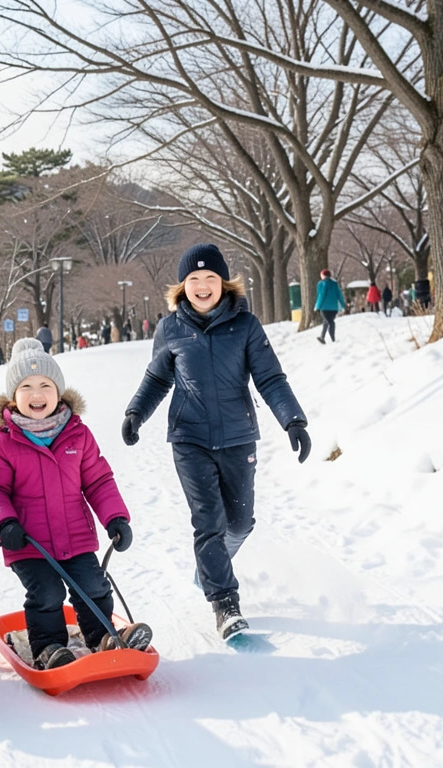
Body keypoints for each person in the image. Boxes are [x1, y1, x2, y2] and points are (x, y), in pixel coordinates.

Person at [121, 244, 309, 641]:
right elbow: (158, 378)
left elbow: (270, 378)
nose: (202, 286)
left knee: (240, 522)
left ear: (224, 283)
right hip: (189, 438)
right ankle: (225, 604)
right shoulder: (170, 329)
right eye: (194, 280)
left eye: (210, 279)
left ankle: (208, 567)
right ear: (182, 286)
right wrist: (136, 412)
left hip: (238, 437)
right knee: (208, 522)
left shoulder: (246, 326)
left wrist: (292, 420)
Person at [0, 339, 153, 670]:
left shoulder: (77, 434)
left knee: (94, 585)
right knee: (46, 593)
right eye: (26, 387)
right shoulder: (2, 442)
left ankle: (103, 637)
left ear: (59, 391)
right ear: (14, 397)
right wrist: (5, 523)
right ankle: (49, 647)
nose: (37, 394)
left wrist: (115, 518)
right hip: (28, 543)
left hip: (76, 538)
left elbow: (98, 480)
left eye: (45, 385)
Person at [314, 268, 345, 344]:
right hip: (334, 308)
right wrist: (344, 305)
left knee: (330, 322)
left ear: (323, 275)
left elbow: (321, 295)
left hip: (324, 307)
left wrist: (317, 306)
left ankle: (333, 339)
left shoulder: (321, 283)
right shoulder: (335, 284)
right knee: (326, 321)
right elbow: (339, 295)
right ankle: (322, 337)